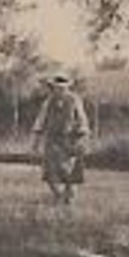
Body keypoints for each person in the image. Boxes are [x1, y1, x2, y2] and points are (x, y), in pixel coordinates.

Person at [31, 72, 90, 205]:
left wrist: (82, 137)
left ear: (67, 88)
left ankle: (69, 200)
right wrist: (36, 140)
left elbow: (82, 120)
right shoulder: (48, 102)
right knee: (51, 174)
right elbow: (40, 121)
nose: (60, 90)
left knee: (72, 175)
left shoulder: (74, 100)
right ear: (53, 88)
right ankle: (58, 196)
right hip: (52, 141)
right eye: (57, 87)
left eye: (63, 88)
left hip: (70, 140)